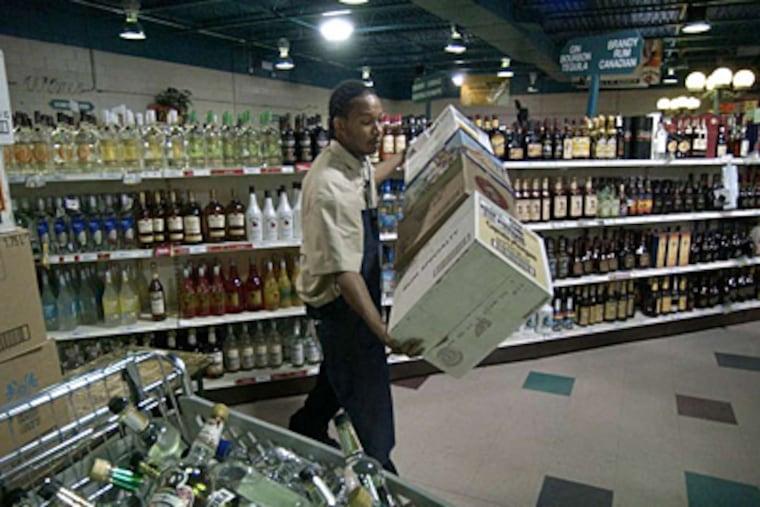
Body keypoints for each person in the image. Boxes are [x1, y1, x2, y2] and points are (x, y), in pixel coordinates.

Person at [289, 80, 423, 473]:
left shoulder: (352, 159)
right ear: (340, 125)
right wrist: (381, 332)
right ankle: (381, 471)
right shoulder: (330, 187)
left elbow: (367, 181)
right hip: (339, 304)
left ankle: (307, 424)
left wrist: (400, 160)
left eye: (380, 121)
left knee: (338, 371)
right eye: (367, 122)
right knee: (367, 388)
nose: (377, 130)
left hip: (352, 290)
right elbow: (346, 275)